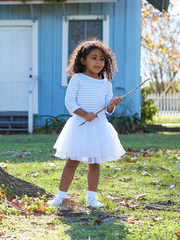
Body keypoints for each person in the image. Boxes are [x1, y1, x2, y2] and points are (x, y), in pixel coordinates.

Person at [50, 39, 126, 208]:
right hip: (79, 126)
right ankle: (60, 196)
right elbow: (69, 101)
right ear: (83, 60)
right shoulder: (77, 79)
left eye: (101, 59)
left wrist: (112, 104)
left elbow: (107, 108)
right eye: (94, 58)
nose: (98, 62)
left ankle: (92, 198)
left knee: (94, 163)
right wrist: (84, 114)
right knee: (72, 161)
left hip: (99, 127)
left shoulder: (106, 83)